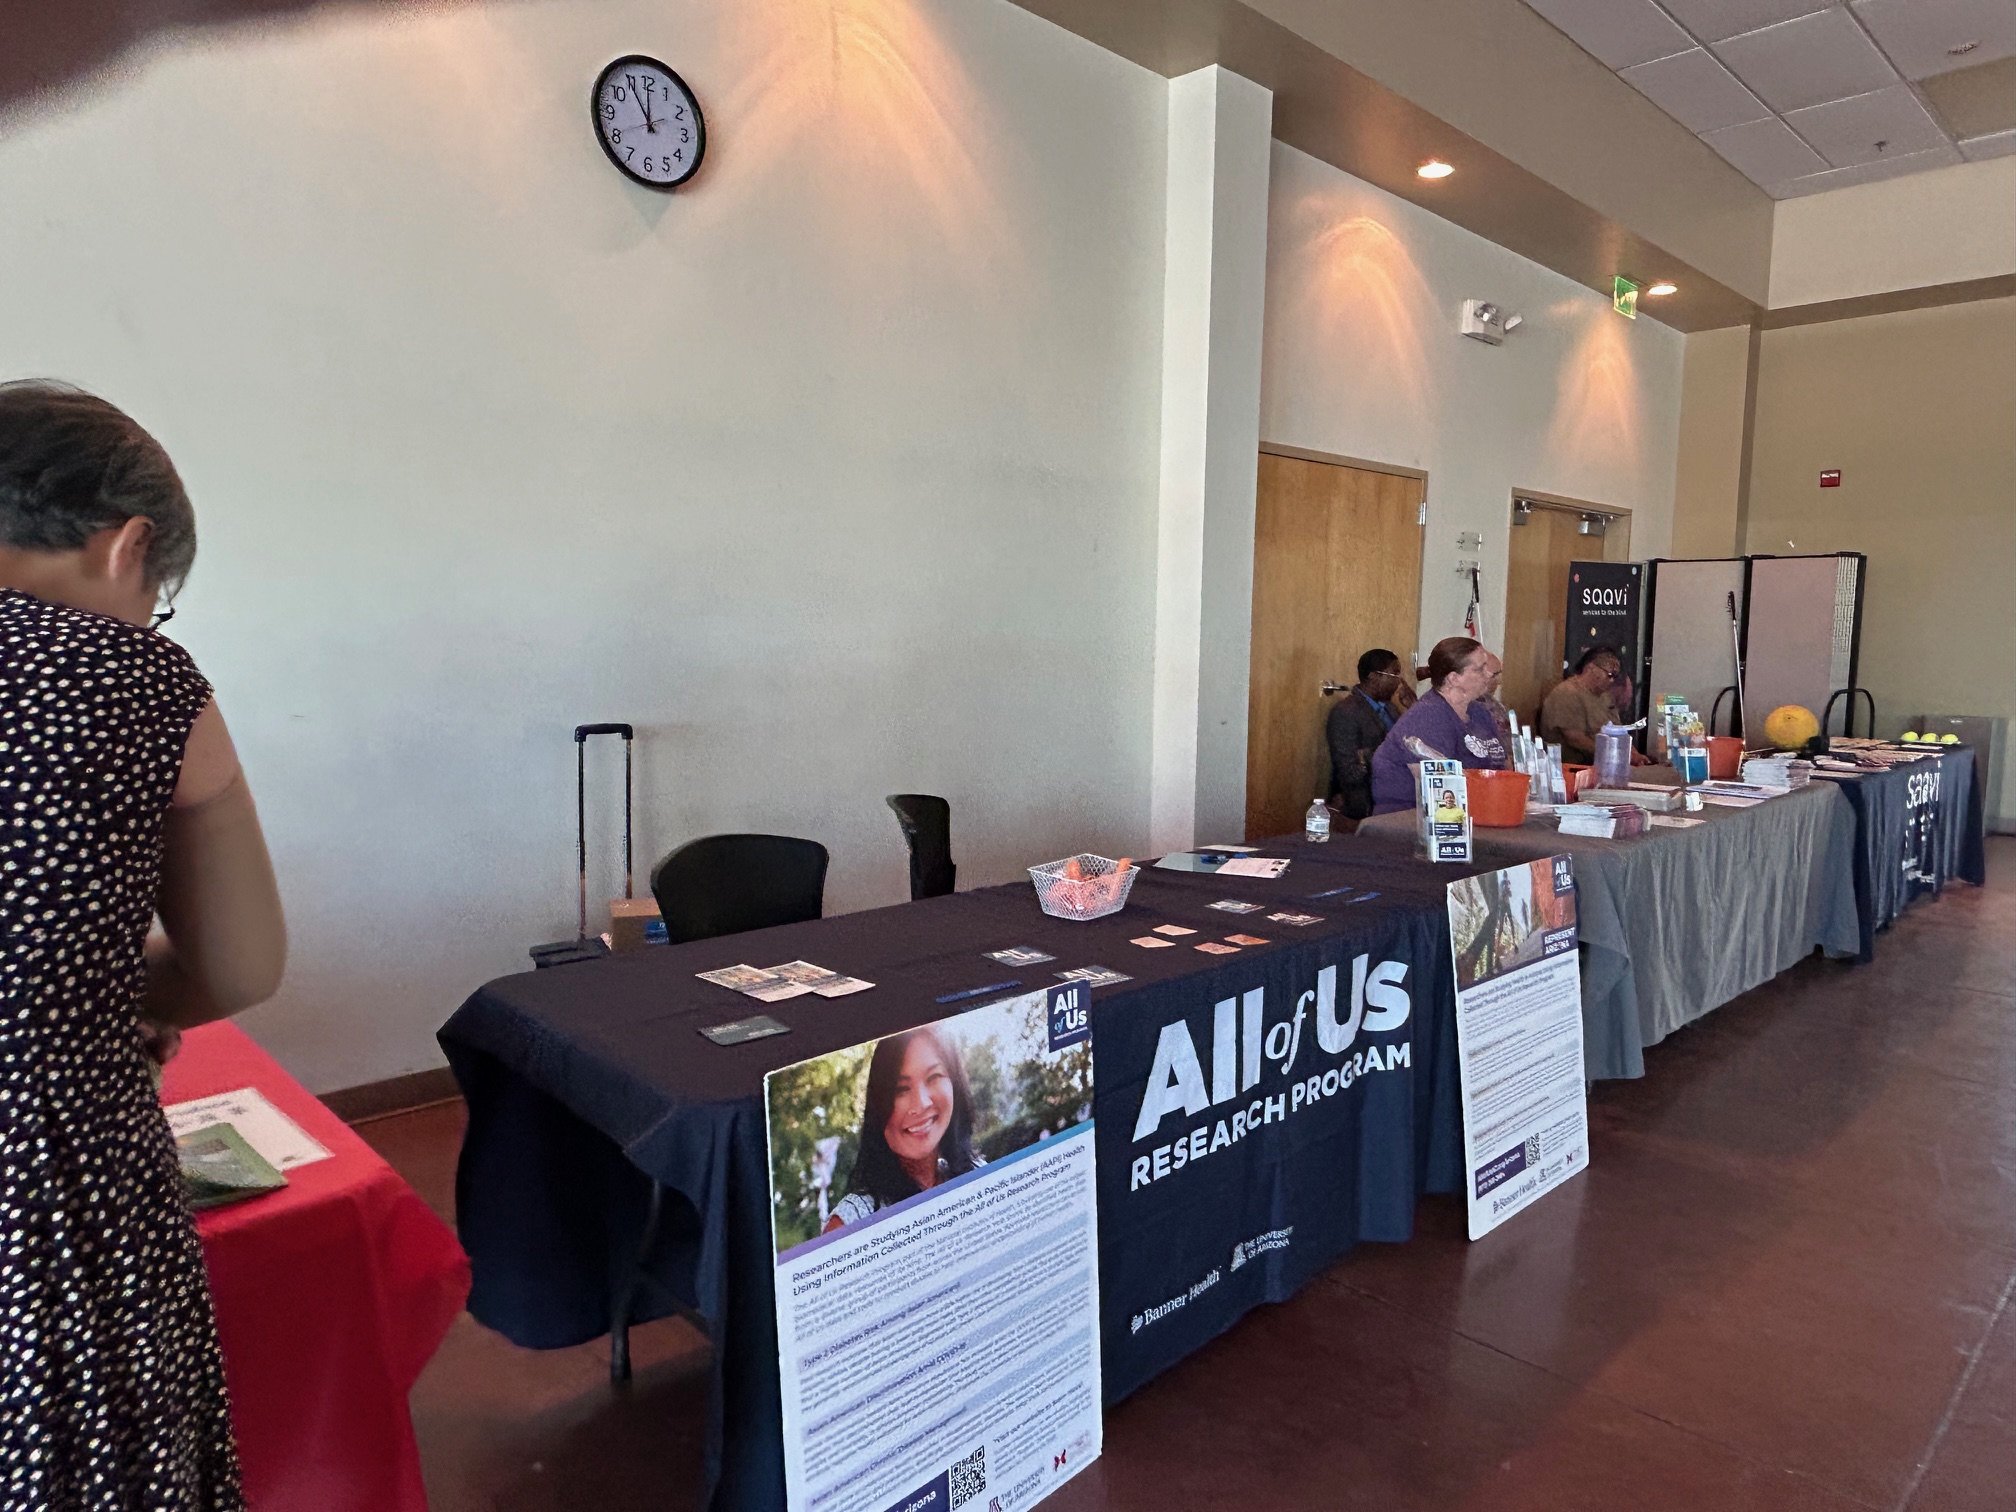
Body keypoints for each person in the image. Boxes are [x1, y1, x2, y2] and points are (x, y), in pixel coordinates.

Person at [0, 380, 286, 1510]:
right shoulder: (128, 676)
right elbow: (241, 965)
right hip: (49, 1186)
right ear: (130, 547)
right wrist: (96, 1008)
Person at [825, 1026, 982, 1232]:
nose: (922, 1103)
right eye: (901, 1089)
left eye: (933, 1077)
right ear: (877, 1106)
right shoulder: (852, 1222)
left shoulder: (978, 1173)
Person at [1369, 636, 1509, 814]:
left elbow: (1503, 767)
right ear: (1453, 678)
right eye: (1480, 669)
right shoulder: (1427, 718)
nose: (1489, 675)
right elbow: (1441, 790)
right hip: (1412, 821)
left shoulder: (1480, 713)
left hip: (1476, 813)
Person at [1326, 648, 1404, 821]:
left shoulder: (1391, 709)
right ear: (1373, 676)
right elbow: (1348, 773)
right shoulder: (1345, 712)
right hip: (1364, 801)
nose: (1399, 682)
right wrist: (1381, 753)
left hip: (1394, 792)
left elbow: (1409, 744)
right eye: (1395, 674)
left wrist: (1412, 709)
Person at [1540, 646, 1649, 765]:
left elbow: (1619, 731)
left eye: (1615, 676)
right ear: (1591, 669)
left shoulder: (1605, 696)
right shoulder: (1566, 693)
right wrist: (1618, 754)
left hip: (1607, 763)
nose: (1612, 681)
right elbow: (1575, 739)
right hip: (1576, 768)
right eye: (1610, 674)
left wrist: (1634, 753)